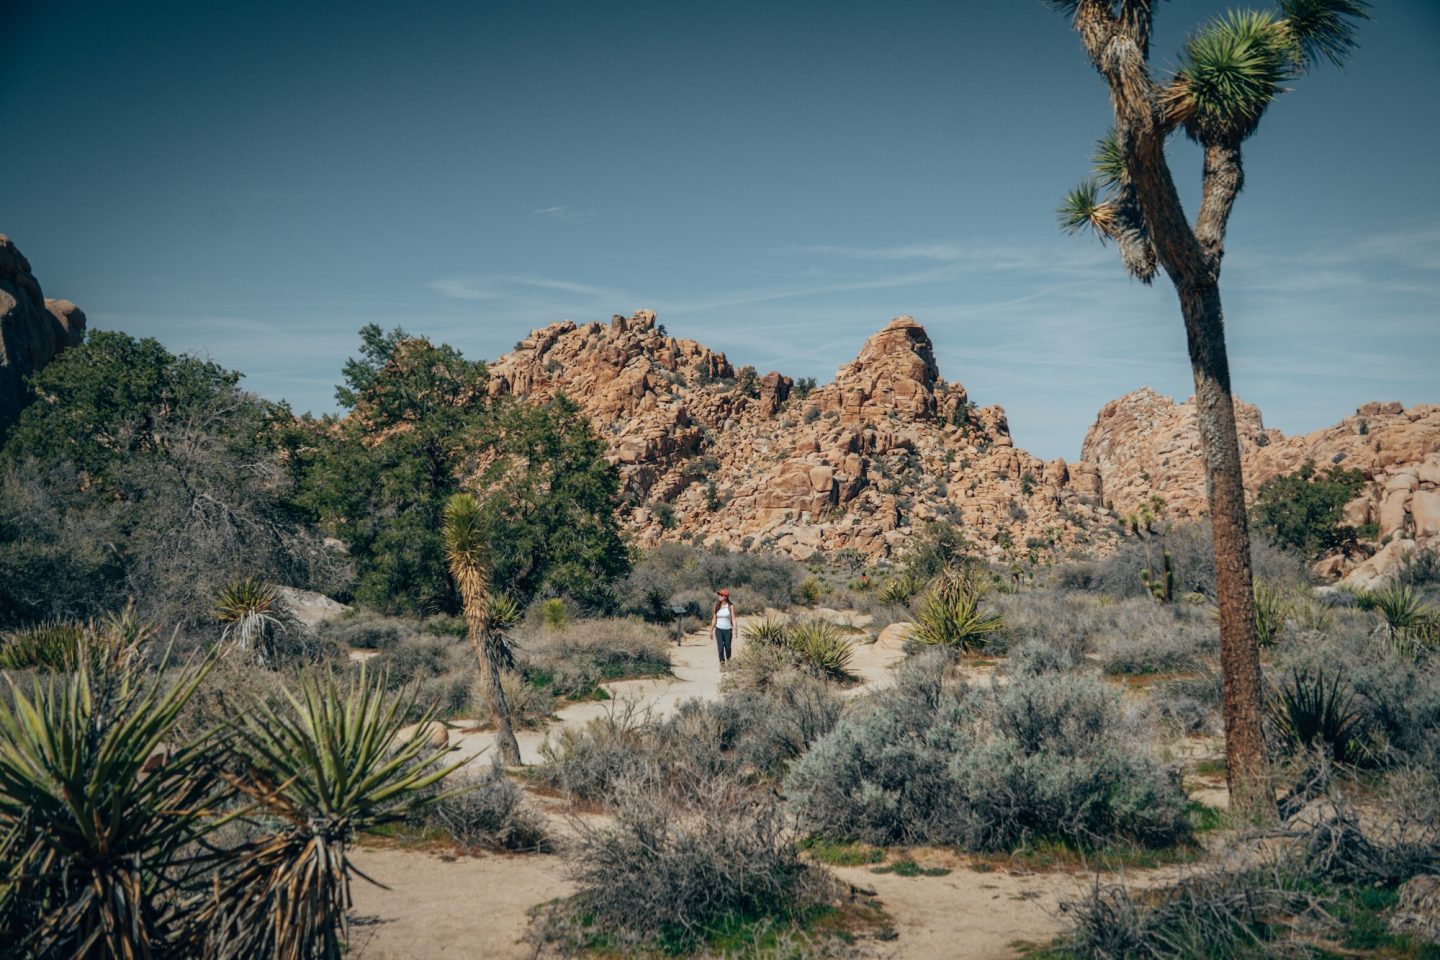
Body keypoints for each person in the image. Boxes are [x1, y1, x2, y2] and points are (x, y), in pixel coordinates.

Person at [710, 588, 735, 664]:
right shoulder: (716, 606)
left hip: (728, 630)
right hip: (719, 630)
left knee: (728, 648)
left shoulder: (730, 606)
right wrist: (711, 631)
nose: (719, 596)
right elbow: (714, 619)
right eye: (719, 594)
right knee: (720, 648)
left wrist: (735, 630)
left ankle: (729, 662)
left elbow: (733, 618)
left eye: (721, 595)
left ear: (725, 597)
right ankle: (722, 663)